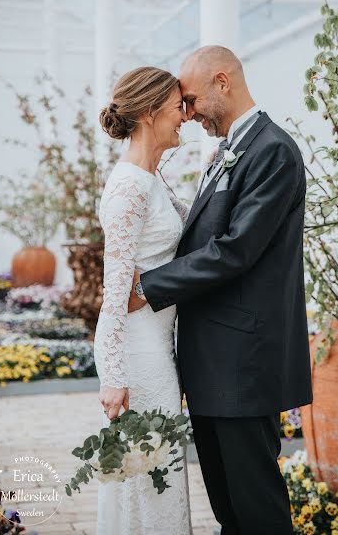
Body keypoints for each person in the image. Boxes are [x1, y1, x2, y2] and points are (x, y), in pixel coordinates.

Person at [129, 46, 313, 535]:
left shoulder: (272, 150)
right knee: (229, 508)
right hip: (214, 363)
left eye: (189, 100)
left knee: (257, 509)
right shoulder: (230, 149)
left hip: (244, 364)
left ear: (222, 82)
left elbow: (236, 250)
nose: (186, 115)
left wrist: (149, 287)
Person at [94, 66, 192, 535]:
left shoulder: (152, 180)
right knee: (149, 477)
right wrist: (113, 376)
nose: (186, 116)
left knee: (158, 475)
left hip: (157, 344)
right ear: (151, 112)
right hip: (138, 356)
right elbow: (114, 295)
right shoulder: (129, 188)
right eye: (178, 107)